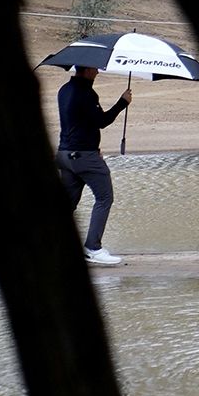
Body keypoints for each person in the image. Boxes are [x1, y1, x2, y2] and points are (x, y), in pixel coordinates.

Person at [56, 65, 131, 266]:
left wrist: (90, 145)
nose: (97, 72)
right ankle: (93, 247)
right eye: (95, 69)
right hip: (83, 157)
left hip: (64, 154)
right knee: (105, 197)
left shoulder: (63, 89)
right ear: (87, 70)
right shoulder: (86, 93)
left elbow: (79, 122)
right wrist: (122, 103)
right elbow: (101, 121)